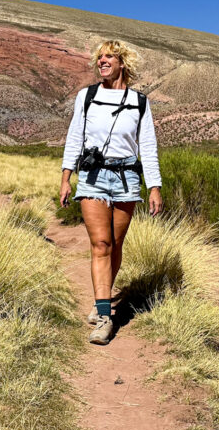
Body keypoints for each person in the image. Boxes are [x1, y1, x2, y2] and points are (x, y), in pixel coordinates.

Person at [59, 39, 162, 345]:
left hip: (128, 180)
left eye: (109, 57)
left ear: (122, 63)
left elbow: (149, 148)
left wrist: (154, 187)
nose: (102, 62)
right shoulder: (86, 97)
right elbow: (74, 138)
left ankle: (101, 298)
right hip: (93, 176)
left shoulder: (140, 103)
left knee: (115, 245)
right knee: (101, 244)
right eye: (99, 58)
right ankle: (105, 317)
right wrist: (66, 178)